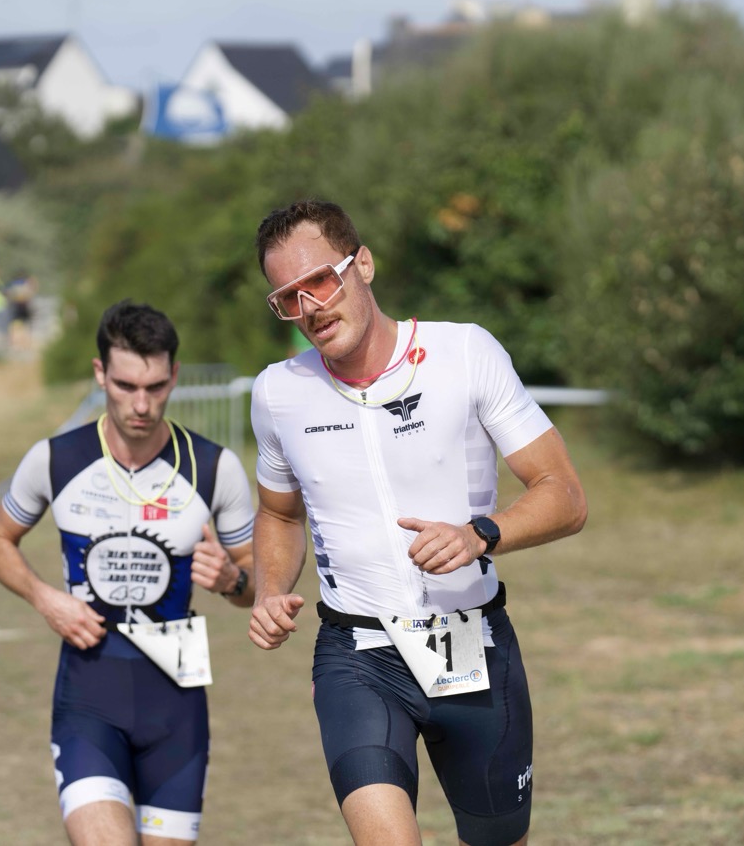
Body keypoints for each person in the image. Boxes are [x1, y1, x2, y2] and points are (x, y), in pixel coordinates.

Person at [247, 200, 587, 846]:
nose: (310, 307)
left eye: (320, 281)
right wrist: (268, 589)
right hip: (358, 654)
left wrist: (479, 533)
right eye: (289, 297)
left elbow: (565, 494)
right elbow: (278, 513)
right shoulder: (277, 392)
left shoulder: (465, 352)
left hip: (473, 641)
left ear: (363, 264)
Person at [0, 300, 255, 846]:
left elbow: (257, 583)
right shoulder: (56, 459)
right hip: (89, 694)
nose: (141, 404)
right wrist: (45, 599)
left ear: (175, 375)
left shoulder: (214, 467)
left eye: (155, 387)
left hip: (177, 705)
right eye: (126, 386)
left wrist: (232, 581)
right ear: (100, 373)